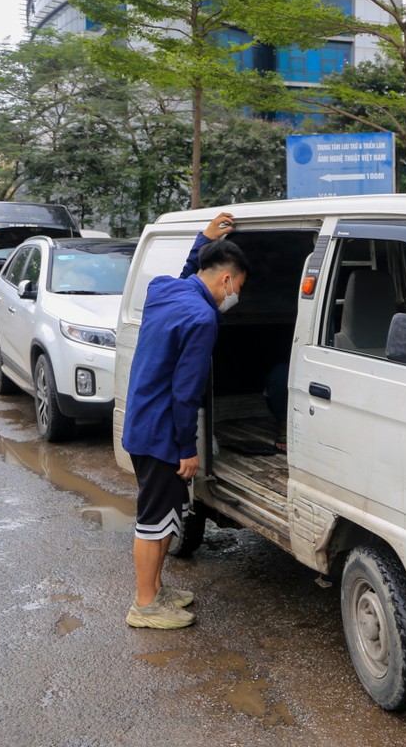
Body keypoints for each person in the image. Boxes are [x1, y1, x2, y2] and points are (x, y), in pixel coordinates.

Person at [121, 211, 248, 629]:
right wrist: (186, 448)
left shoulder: (163, 290)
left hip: (143, 421)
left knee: (167, 514)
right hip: (161, 431)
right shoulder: (203, 318)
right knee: (154, 520)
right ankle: (144, 605)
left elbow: (185, 274)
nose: (236, 297)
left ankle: (157, 590)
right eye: (238, 288)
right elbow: (185, 391)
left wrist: (201, 239)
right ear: (226, 280)